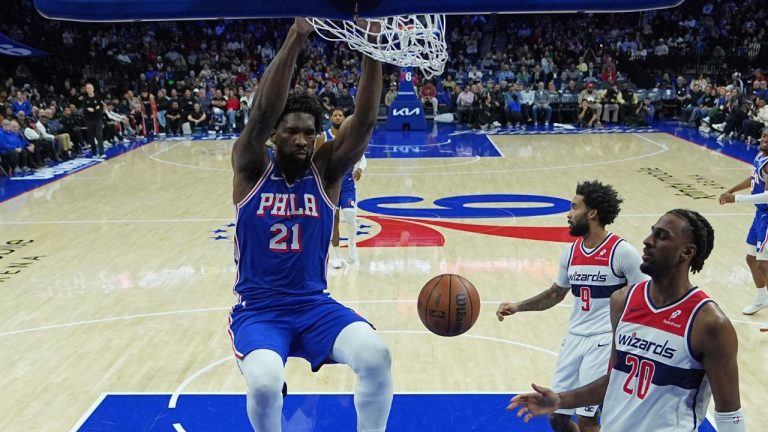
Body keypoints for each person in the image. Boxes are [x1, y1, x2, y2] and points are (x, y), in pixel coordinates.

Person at [228, 18, 392, 432]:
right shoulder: (251, 166)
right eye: (292, 132)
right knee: (265, 382)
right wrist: (297, 35)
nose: (302, 140)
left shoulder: (328, 171)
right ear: (273, 136)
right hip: (259, 311)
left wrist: (371, 48)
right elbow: (262, 111)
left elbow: (366, 121)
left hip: (314, 306)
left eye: (309, 133)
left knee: (376, 355)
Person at [508, 209, 746, 432]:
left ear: (687, 252)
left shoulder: (709, 323)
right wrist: (561, 399)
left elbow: (729, 413)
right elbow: (614, 379)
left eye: (661, 236)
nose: (647, 240)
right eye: (652, 232)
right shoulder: (622, 301)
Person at [497, 180, 646, 432]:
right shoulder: (571, 252)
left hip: (603, 341)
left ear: (592, 213)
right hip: (574, 339)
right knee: (557, 416)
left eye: (574, 207)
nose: (568, 214)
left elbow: (649, 295)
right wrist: (517, 306)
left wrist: (632, 339)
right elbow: (556, 294)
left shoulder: (622, 252)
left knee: (588, 420)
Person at [720, 127, 768, 331]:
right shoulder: (760, 156)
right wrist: (732, 189)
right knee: (751, 259)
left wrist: (736, 199)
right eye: (764, 136)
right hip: (760, 214)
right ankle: (761, 297)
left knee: (764, 264)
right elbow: (753, 178)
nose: (764, 139)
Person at [316, 108, 367, 268]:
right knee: (334, 220)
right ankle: (336, 255)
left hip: (347, 184)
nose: (337, 117)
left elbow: (362, 157)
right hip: (330, 184)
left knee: (351, 218)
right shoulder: (323, 136)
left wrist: (359, 169)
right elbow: (316, 159)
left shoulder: (351, 137)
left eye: (340, 115)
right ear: (331, 118)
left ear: (344, 119)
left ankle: (352, 244)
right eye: (335, 115)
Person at [82, 83, 105, 159]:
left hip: (98, 119)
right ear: (86, 90)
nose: (89, 89)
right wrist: (95, 108)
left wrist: (95, 109)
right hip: (89, 120)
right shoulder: (85, 99)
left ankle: (101, 153)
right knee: (91, 137)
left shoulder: (98, 97)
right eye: (88, 88)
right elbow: (87, 110)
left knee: (99, 136)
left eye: (90, 88)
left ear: (93, 89)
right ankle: (94, 153)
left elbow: (101, 107)